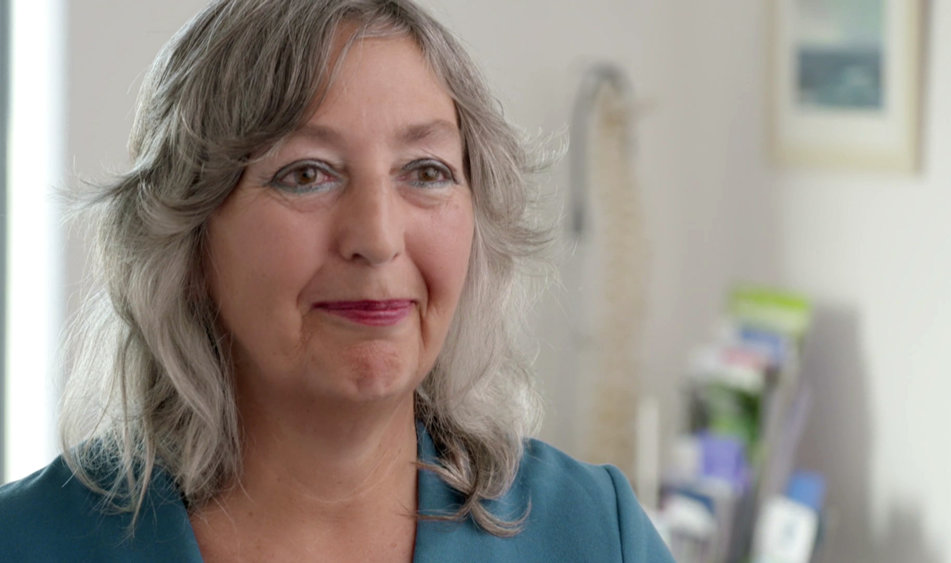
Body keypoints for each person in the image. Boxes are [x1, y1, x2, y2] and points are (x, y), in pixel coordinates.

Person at [0, 1, 674, 561]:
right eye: (306, 174)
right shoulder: (23, 541)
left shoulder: (597, 533)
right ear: (190, 240)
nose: (377, 238)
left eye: (426, 171)